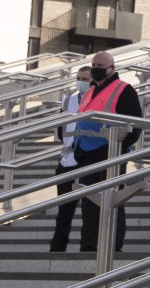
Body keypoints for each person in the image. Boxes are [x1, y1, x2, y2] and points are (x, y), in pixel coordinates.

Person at [51, 51, 144, 254]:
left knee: (113, 200)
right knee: (89, 203)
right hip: (85, 155)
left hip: (109, 153)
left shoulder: (123, 90)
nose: (96, 69)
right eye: (94, 65)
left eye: (100, 66)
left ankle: (113, 247)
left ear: (112, 68)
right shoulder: (92, 91)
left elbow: (136, 126)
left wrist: (117, 148)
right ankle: (89, 247)